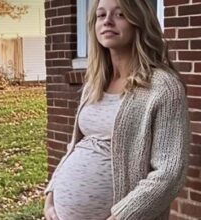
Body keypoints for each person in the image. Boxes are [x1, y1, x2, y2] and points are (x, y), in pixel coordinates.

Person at [44, 0, 190, 219]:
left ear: (138, 22)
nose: (108, 22)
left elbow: (169, 172)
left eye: (120, 15)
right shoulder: (95, 82)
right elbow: (76, 146)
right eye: (101, 16)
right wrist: (51, 198)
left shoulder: (163, 87)